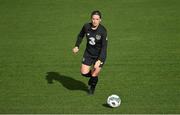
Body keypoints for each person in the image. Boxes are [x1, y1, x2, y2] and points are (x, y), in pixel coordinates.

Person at [72, 10, 108, 95]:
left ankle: (92, 87)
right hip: (88, 53)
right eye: (93, 19)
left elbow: (104, 47)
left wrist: (99, 60)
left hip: (99, 55)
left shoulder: (103, 31)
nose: (94, 21)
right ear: (91, 19)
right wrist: (77, 46)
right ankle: (93, 78)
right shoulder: (86, 26)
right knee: (84, 73)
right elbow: (80, 35)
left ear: (100, 20)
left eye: (97, 19)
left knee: (94, 73)